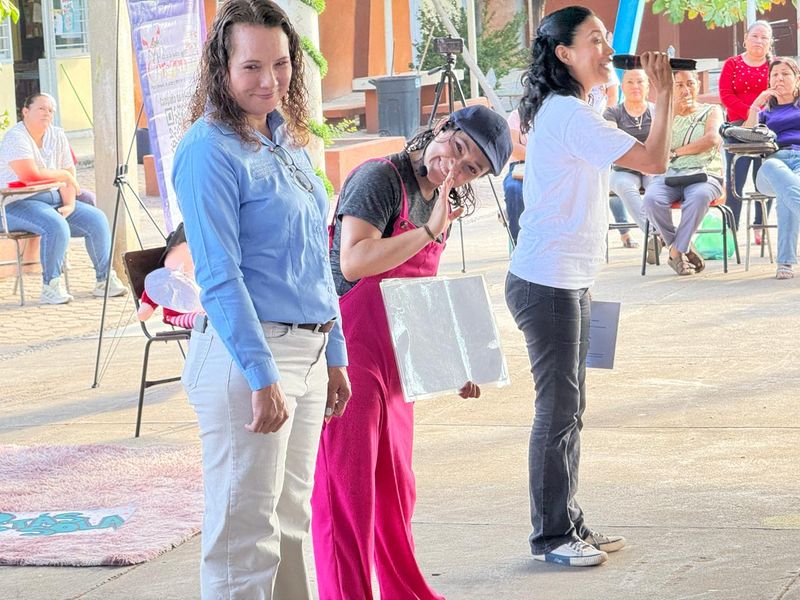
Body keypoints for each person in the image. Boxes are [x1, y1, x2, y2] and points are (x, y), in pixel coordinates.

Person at [172, 2, 351, 598]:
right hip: (246, 357)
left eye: (280, 64)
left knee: (290, 528)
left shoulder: (289, 142)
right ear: (220, 69)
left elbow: (315, 257)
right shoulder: (208, 150)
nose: (268, 81)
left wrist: (336, 353)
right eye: (251, 66)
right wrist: (261, 373)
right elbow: (220, 275)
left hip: (307, 349)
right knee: (243, 543)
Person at [312, 104, 511, 599]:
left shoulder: (443, 199)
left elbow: (419, 287)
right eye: (458, 149)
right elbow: (355, 262)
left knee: (396, 488)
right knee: (348, 493)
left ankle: (404, 592)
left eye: (472, 169)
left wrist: (449, 359)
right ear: (443, 127)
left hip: (400, 355)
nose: (456, 168)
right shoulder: (380, 179)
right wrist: (426, 229)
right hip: (351, 349)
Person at [507, 6, 673, 567]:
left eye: (607, 37)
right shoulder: (570, 116)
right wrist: (665, 93)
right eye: (595, 40)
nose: (607, 48)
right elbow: (653, 160)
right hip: (548, 283)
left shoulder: (578, 106)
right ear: (564, 55)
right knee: (557, 411)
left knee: (570, 410)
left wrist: (611, 85)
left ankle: (568, 521)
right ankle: (550, 536)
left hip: (569, 279)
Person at [0, 93, 127, 304]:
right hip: (16, 204)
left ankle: (104, 280)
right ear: (25, 112)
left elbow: (69, 173)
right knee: (55, 225)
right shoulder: (16, 137)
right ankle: (51, 286)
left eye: (51, 110)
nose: (47, 113)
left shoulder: (57, 135)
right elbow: (29, 175)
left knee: (97, 219)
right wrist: (64, 175)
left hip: (55, 199)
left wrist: (68, 204)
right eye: (41, 108)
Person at [643, 70, 724, 276]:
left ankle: (676, 250)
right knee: (652, 199)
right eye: (679, 85)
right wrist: (671, 116)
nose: (685, 89)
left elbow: (711, 139)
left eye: (690, 83)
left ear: (698, 85)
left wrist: (676, 152)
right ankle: (679, 247)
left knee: (699, 197)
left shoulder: (711, 110)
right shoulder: (664, 114)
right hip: (670, 175)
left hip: (704, 174)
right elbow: (654, 145)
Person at [745, 57, 800, 279]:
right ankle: (786, 262)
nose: (779, 78)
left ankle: (785, 263)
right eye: (775, 74)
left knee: (787, 194)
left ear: (797, 79)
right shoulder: (765, 113)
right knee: (776, 170)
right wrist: (758, 101)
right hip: (772, 164)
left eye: (785, 74)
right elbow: (745, 137)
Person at [719, 20, 773, 236]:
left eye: (764, 37)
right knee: (735, 183)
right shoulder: (732, 64)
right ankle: (731, 229)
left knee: (765, 180)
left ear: (770, 43)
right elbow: (726, 95)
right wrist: (749, 113)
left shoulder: (774, 66)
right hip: (736, 131)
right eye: (755, 36)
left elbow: (779, 95)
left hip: (766, 129)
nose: (759, 40)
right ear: (745, 39)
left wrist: (759, 116)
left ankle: (760, 226)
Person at [604, 69, 656, 241]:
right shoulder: (612, 113)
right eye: (630, 82)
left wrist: (649, 164)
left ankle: (657, 236)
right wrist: (639, 163)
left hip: (653, 168)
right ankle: (654, 235)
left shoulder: (657, 112)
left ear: (648, 86)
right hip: (622, 170)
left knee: (656, 190)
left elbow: (664, 142)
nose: (635, 86)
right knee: (625, 187)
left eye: (640, 82)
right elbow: (612, 141)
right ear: (622, 87)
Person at [136, 223, 203, 329]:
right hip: (177, 316)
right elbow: (145, 310)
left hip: (202, 311)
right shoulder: (164, 280)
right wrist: (145, 310)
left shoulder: (199, 274)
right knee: (205, 322)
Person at [503, 106, 527, 244]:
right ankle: (519, 243)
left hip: (550, 167)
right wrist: (541, 155)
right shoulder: (517, 115)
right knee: (514, 189)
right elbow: (513, 148)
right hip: (520, 167)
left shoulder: (554, 113)